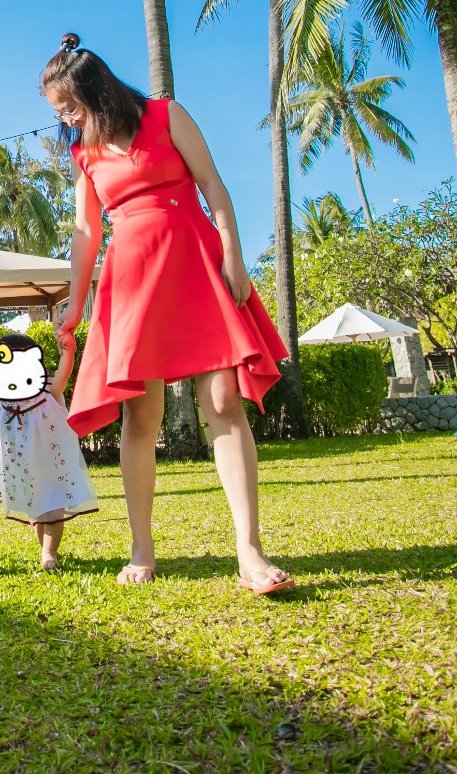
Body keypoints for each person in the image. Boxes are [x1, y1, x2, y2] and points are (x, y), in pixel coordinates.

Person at [44, 34, 296, 595]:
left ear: (96, 92)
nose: (65, 119)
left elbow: (214, 186)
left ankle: (250, 550)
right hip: (131, 279)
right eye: (60, 112)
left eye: (69, 107)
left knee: (224, 401)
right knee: (141, 417)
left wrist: (234, 255)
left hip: (197, 260)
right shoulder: (82, 152)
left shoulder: (166, 115)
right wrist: (74, 301)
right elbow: (87, 233)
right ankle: (142, 547)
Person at [0, 332, 97, 571]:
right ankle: (45, 549)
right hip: (23, 469)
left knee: (52, 508)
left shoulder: (47, 388)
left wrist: (68, 352)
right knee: (37, 513)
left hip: (52, 465)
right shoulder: (2, 395)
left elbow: (64, 372)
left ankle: (49, 551)